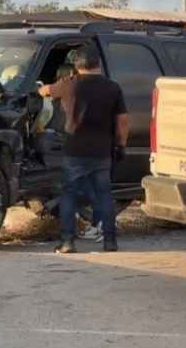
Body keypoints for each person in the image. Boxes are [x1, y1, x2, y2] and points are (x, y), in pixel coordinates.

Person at [38, 45, 129, 253]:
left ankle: (68, 242)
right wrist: (121, 145)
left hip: (74, 151)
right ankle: (110, 241)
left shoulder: (69, 84)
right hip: (102, 151)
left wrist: (40, 89)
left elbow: (45, 91)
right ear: (98, 64)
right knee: (105, 194)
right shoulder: (113, 88)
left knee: (69, 195)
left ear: (77, 66)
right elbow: (123, 121)